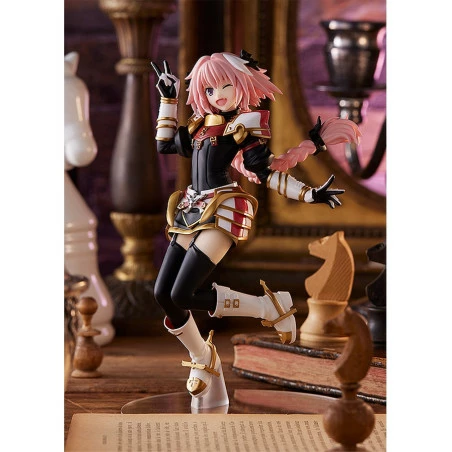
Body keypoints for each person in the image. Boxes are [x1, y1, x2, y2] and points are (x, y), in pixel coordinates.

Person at [151, 51, 361, 409]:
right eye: (210, 88)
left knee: (183, 294)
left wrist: (309, 194)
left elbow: (266, 173)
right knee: (163, 295)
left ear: (242, 85)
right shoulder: (200, 125)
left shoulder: (244, 127)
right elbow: (165, 144)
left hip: (224, 209)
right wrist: (168, 99)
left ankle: (266, 307)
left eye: (225, 86)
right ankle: (204, 356)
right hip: (191, 208)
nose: (218, 95)